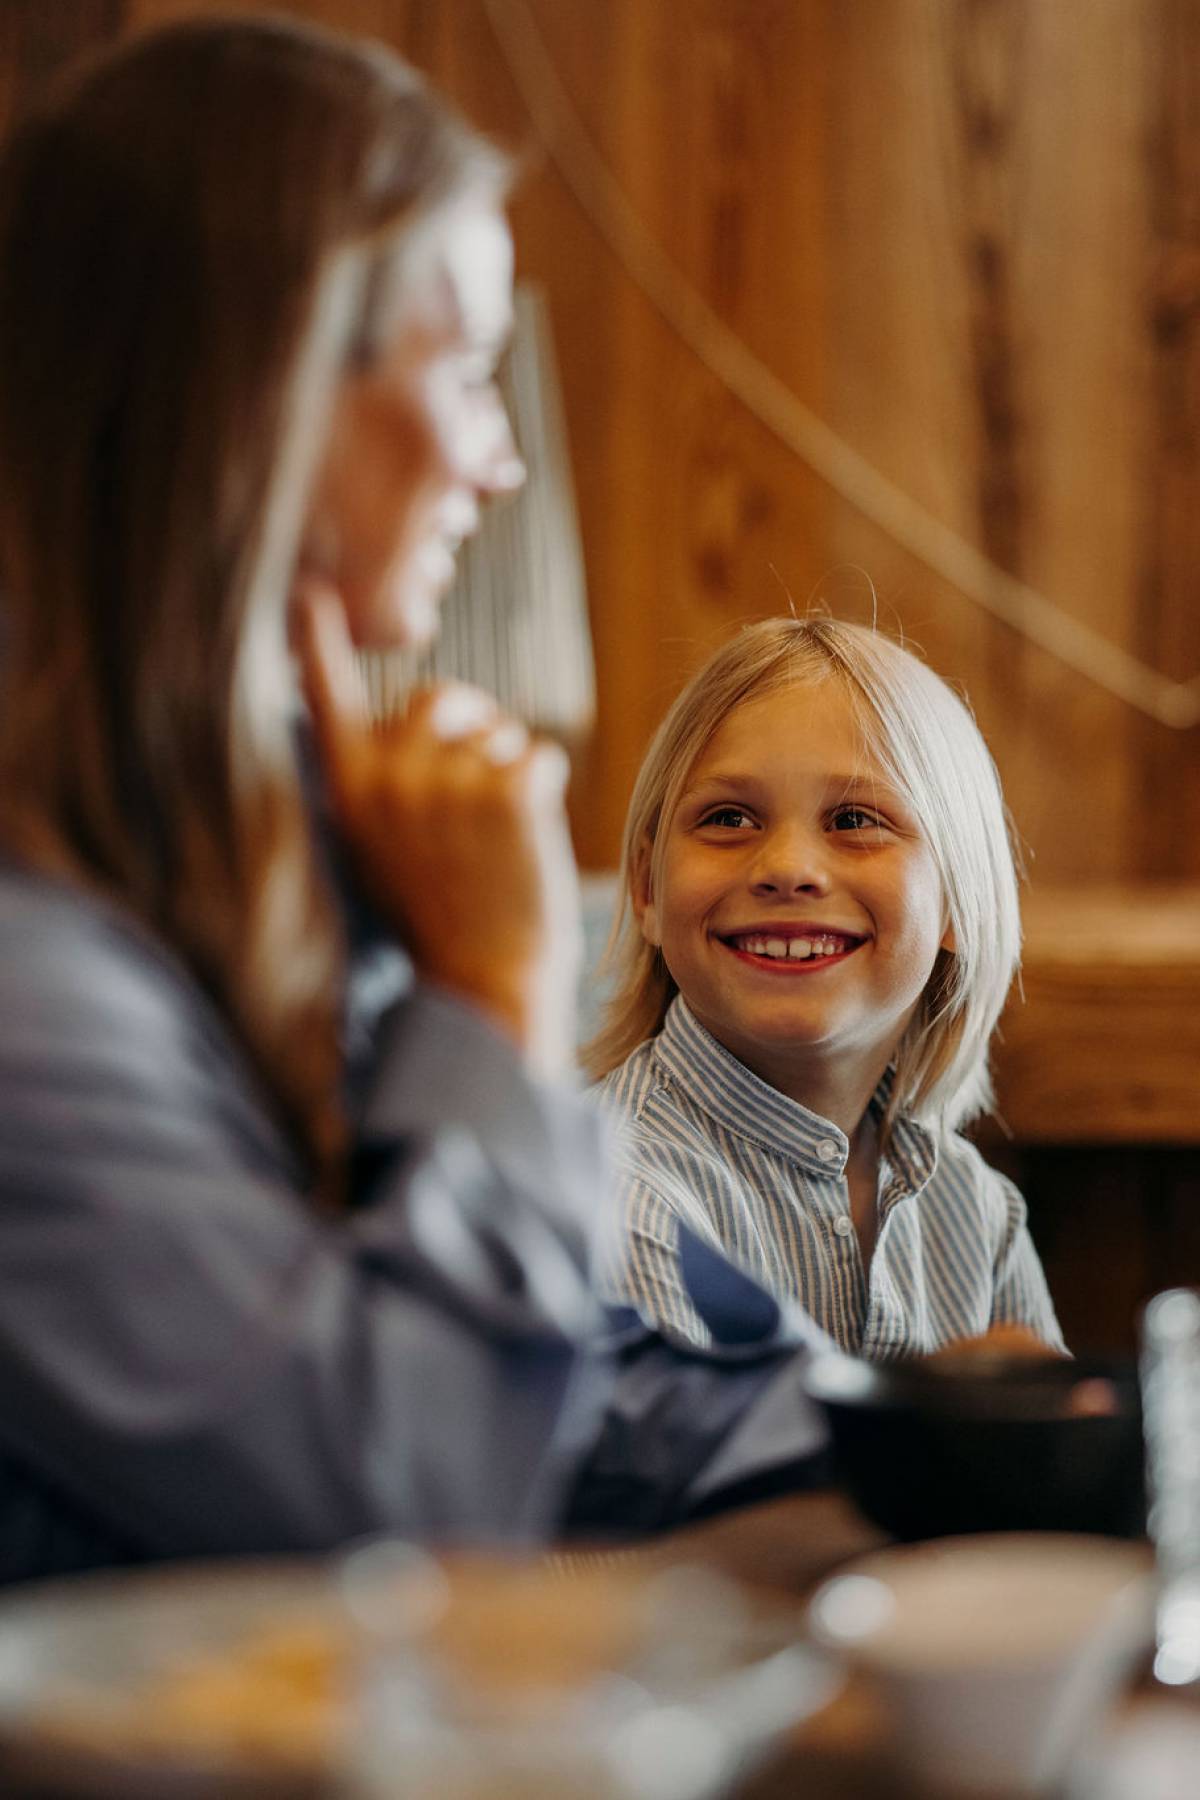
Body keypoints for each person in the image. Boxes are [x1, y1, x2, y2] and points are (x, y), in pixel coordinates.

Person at [0, 14, 832, 1584]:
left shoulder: (283, 837)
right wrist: (504, 989)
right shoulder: (29, 967)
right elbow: (417, 1476)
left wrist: (948, 1446)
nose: (499, 458)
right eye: (462, 368)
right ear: (274, 387)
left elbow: (565, 1363)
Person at [586, 617, 1065, 1358]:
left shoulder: (977, 1211)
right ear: (648, 889)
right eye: (728, 818)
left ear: (956, 901)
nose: (789, 867)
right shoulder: (612, 1198)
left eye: (854, 820)